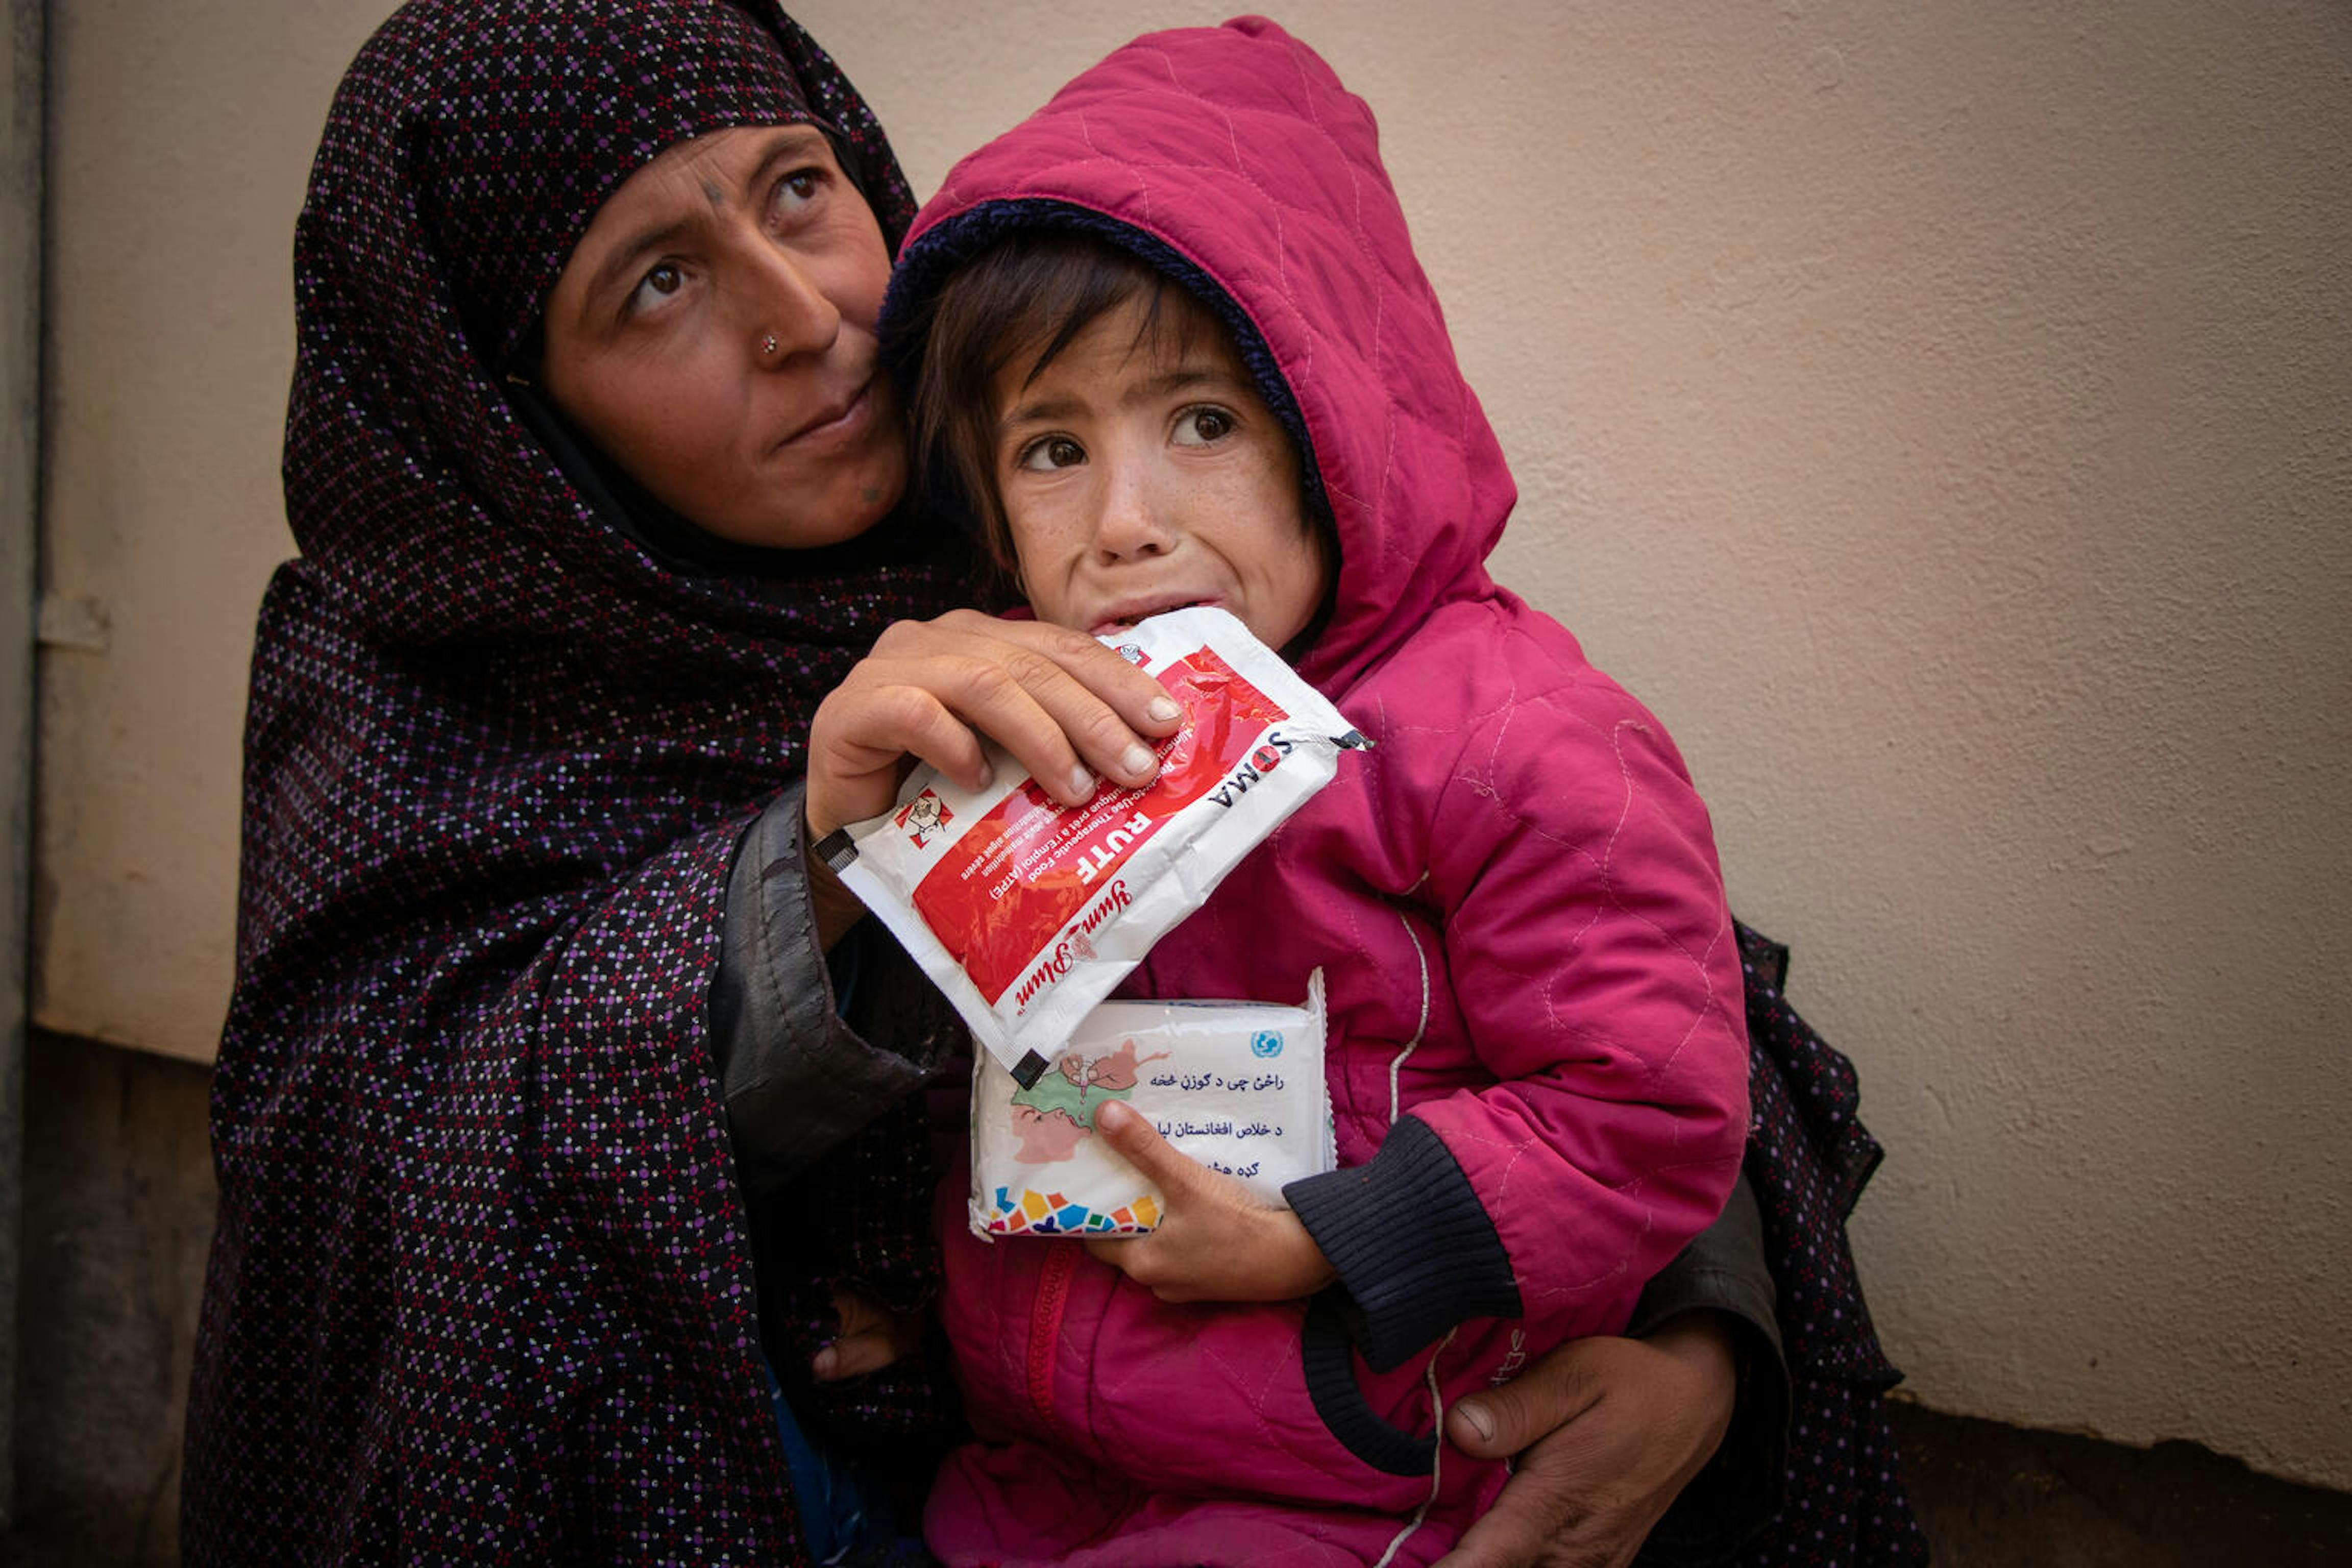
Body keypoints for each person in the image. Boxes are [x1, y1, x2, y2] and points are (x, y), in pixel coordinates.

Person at [185, 1, 1918, 1563]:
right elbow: (370, 1177)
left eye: (797, 190)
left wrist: (1702, 1329)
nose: (809, 319)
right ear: (516, 418)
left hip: (1310, 1465)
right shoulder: (413, 676)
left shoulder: (1064, 473)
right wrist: (806, 865)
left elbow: (1612, 981)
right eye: (655, 281)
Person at [827, 19, 1747, 1563]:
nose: (1126, 523)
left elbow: (1642, 1107)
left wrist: (1329, 1240)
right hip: (1029, 1465)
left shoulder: (1508, 734)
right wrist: (930, 1312)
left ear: (1340, 433)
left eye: (1202, 423)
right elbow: (967, 1069)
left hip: (1348, 1483)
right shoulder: (1019, 730)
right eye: (1052, 448)